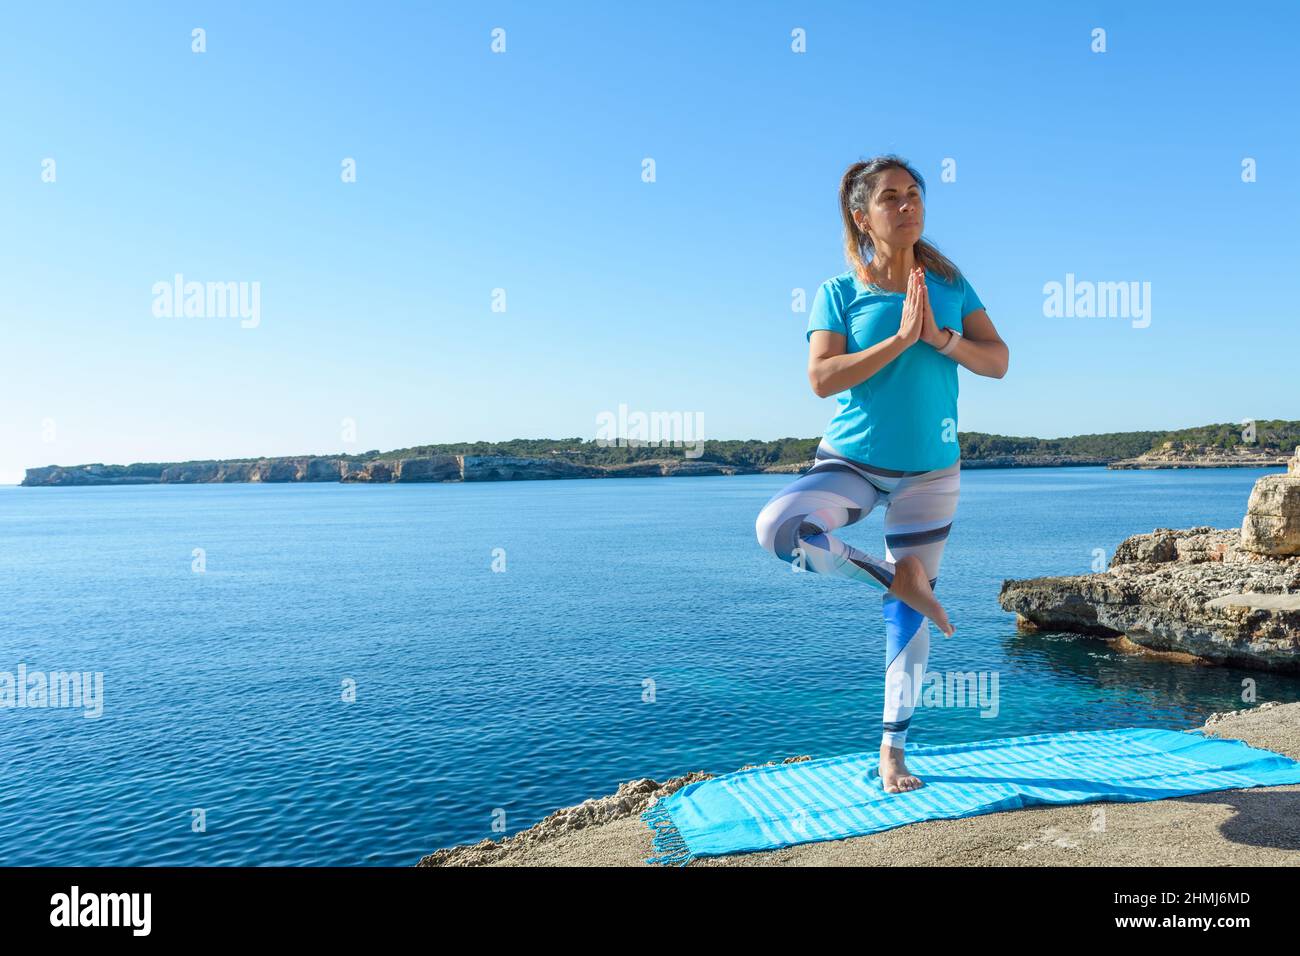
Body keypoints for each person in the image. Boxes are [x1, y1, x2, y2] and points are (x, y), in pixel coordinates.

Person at [755, 155, 1009, 794]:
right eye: (891, 197)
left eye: (914, 194)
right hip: (851, 464)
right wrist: (898, 340)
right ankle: (897, 578)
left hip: (932, 473)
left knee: (907, 619)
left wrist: (940, 338)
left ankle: (892, 751)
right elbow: (821, 378)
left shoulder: (951, 285)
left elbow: (998, 361)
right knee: (781, 530)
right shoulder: (839, 292)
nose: (907, 205)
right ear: (861, 214)